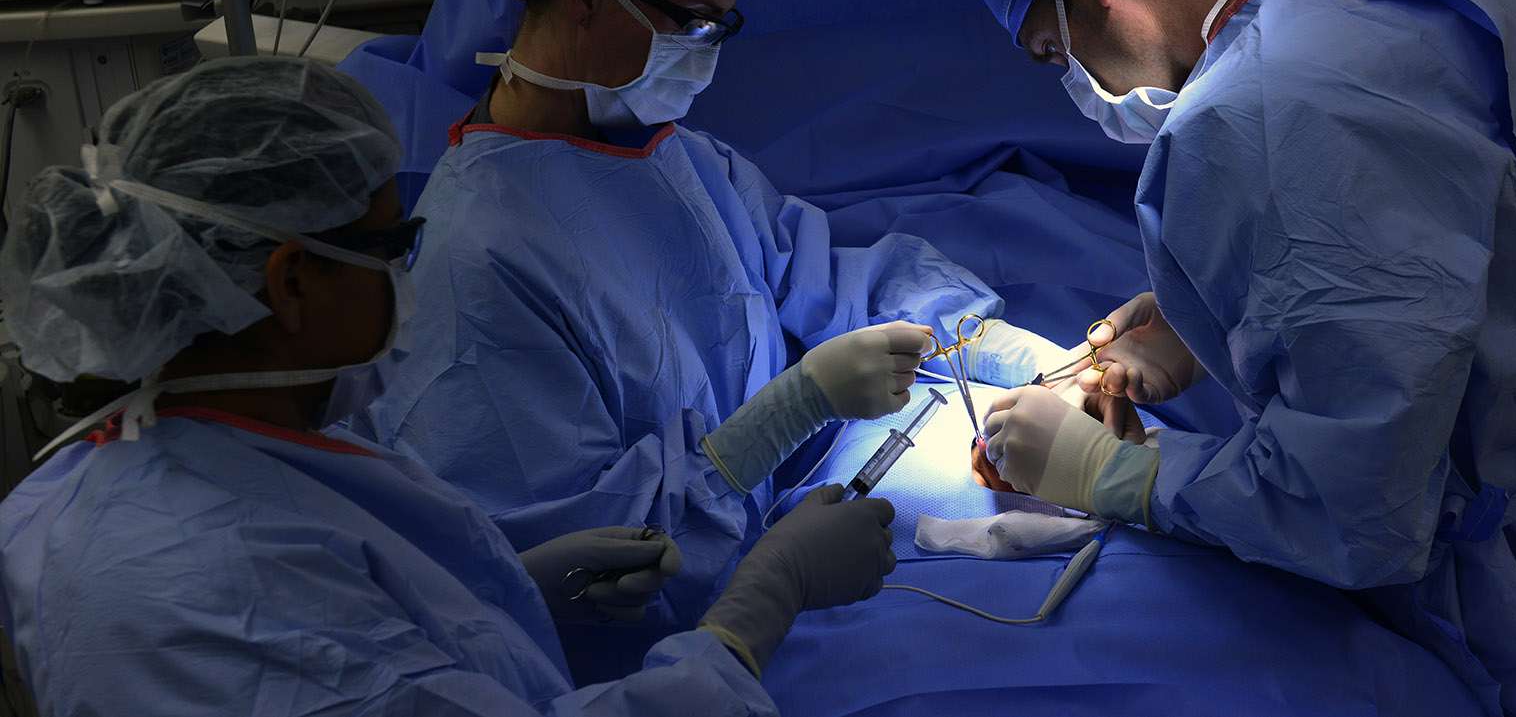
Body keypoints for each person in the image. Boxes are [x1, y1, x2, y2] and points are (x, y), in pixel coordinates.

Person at [965, 0, 1516, 717]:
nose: (1080, 83)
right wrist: (1203, 316)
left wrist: (1113, 474)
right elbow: (1452, 221)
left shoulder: (1245, 120)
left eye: (1056, 51)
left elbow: (1353, 507)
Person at [351, 0, 1073, 677]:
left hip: (782, 537)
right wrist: (783, 418)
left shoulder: (673, 157)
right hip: (679, 651)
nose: (707, 51)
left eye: (721, 21)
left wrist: (997, 345)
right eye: (690, 21)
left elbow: (819, 272)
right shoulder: (478, 266)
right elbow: (588, 575)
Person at [0, 58, 897, 716]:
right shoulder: (206, 587)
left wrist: (500, 592)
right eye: (391, 249)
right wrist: (757, 607)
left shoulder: (157, 460)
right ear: (290, 283)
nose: (413, 276)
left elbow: (379, 626)